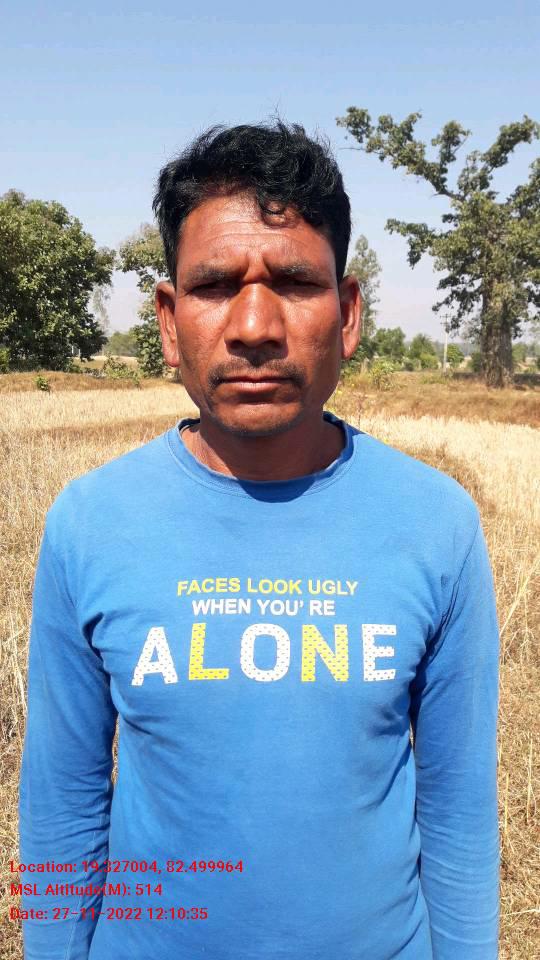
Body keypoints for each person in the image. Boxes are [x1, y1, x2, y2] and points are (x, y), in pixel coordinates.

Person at [18, 121, 500, 960]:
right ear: (169, 321)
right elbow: (62, 801)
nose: (252, 325)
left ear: (348, 314)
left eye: (293, 281)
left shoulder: (436, 524)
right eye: (213, 286)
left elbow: (458, 809)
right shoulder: (90, 522)